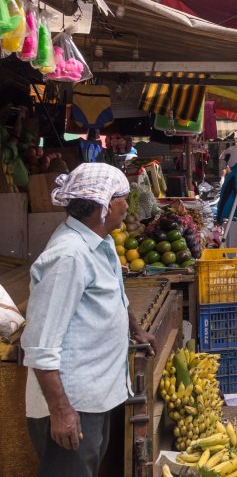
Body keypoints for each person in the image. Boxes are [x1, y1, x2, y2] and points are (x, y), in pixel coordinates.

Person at [22, 163, 156, 476]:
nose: (127, 205)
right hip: (72, 404)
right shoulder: (68, 256)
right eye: (122, 198)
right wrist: (61, 412)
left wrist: (136, 330)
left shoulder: (100, 242)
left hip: (94, 396)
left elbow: (114, 297)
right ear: (104, 207)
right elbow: (40, 346)